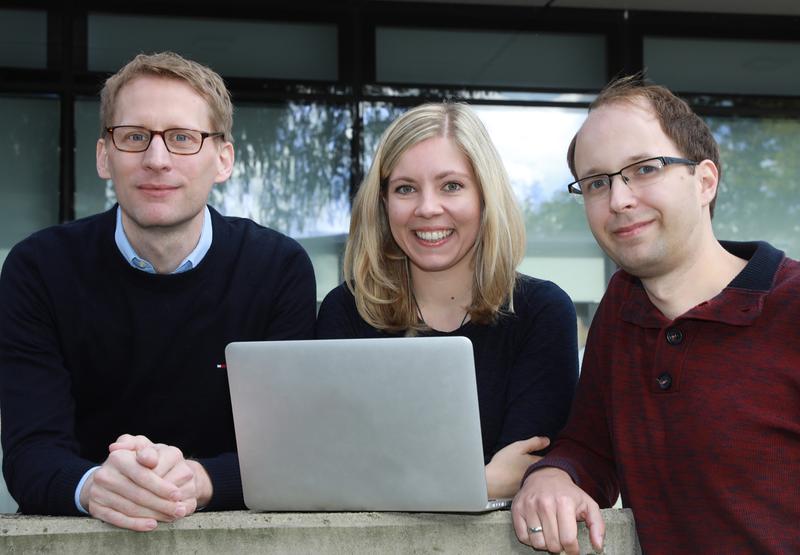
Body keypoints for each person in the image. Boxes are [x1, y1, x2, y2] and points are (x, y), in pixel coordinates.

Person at [0, 52, 316, 531]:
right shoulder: (38, 270)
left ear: (223, 159)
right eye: (134, 137)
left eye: (183, 138)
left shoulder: (277, 269)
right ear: (105, 156)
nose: (156, 159)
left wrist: (195, 479)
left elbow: (290, 447)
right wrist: (95, 486)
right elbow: (30, 453)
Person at [511, 75, 800, 554]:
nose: (619, 200)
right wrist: (553, 476)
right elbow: (590, 448)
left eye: (645, 169)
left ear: (704, 181)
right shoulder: (622, 314)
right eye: (597, 182)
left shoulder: (791, 308)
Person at [316, 102, 579, 499]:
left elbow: (526, 470)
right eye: (405, 188)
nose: (427, 208)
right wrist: (479, 482)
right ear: (384, 204)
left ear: (484, 196)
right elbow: (332, 474)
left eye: (451, 186)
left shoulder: (540, 313)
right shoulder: (346, 312)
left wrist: (388, 482)